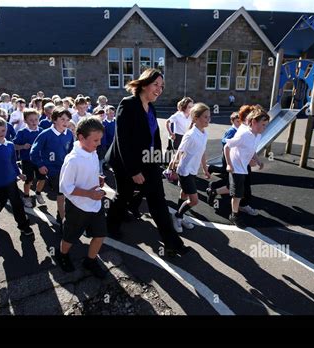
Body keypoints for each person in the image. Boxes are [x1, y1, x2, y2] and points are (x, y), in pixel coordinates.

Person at [105, 68, 191, 257]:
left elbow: (154, 137)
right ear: (144, 84)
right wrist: (134, 170)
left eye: (162, 86)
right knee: (124, 194)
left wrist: (157, 161)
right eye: (156, 84)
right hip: (125, 161)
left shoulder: (151, 107)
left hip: (148, 160)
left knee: (158, 200)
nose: (159, 89)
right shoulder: (128, 104)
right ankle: (110, 225)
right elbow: (122, 141)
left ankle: (171, 243)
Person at [55, 117, 108, 277]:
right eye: (95, 140)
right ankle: (62, 255)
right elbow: (65, 187)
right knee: (69, 238)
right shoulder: (73, 159)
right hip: (78, 207)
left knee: (100, 234)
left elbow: (88, 172)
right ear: (81, 138)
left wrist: (97, 177)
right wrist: (90, 194)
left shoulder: (91, 151)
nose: (98, 143)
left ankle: (90, 261)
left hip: (95, 204)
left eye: (100, 139)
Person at [169, 103, 211, 233]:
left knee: (184, 193)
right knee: (194, 201)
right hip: (184, 171)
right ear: (196, 118)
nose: (208, 119)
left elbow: (202, 152)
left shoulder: (204, 133)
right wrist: (173, 167)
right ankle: (177, 216)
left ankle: (179, 215)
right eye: (205, 117)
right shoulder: (191, 134)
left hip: (193, 170)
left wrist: (205, 169)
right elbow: (180, 151)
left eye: (209, 116)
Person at [224, 106, 269, 225]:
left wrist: (258, 161)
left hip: (243, 167)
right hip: (236, 167)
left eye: (266, 125)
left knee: (240, 191)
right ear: (254, 122)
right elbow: (227, 146)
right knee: (237, 194)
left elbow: (252, 150)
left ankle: (214, 191)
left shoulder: (258, 135)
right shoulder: (244, 134)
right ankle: (234, 215)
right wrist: (229, 164)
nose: (265, 128)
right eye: (263, 125)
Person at [30, 107, 74, 226]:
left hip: (66, 168)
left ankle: (60, 214)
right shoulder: (45, 134)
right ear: (54, 120)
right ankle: (63, 220)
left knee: (68, 193)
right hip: (53, 170)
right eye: (62, 119)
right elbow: (34, 152)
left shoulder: (69, 134)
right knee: (61, 193)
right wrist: (40, 165)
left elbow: (72, 151)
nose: (65, 122)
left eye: (68, 119)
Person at [206, 106, 256, 205]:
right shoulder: (232, 131)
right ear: (233, 121)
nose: (239, 123)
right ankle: (214, 186)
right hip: (231, 158)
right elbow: (225, 143)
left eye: (240, 121)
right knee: (229, 178)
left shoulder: (245, 130)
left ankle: (214, 186)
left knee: (230, 179)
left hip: (239, 160)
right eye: (237, 121)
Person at [13, 108, 46, 208]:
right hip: (27, 160)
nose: (34, 122)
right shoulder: (22, 132)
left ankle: (38, 193)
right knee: (29, 180)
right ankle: (26, 196)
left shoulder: (42, 131)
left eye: (36, 119)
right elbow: (13, 145)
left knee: (42, 178)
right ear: (25, 120)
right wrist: (22, 146)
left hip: (40, 160)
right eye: (31, 120)